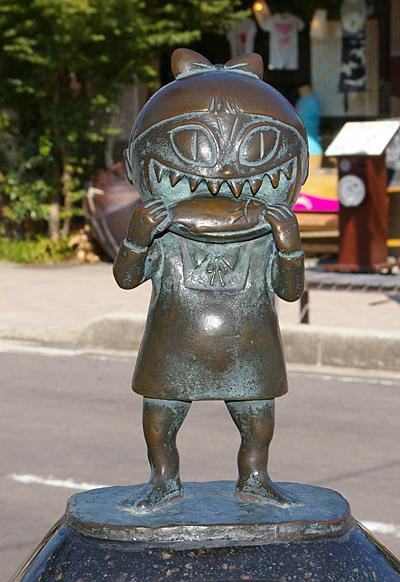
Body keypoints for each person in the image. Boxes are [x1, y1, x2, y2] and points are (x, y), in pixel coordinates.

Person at [114, 49, 308, 511]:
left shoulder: (263, 234)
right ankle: (163, 478)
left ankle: (254, 476)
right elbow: (126, 278)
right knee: (161, 415)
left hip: (250, 343)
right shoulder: (165, 233)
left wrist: (289, 246)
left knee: (256, 416)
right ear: (135, 165)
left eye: (256, 147)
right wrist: (138, 237)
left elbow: (289, 291)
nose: (223, 172)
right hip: (174, 340)